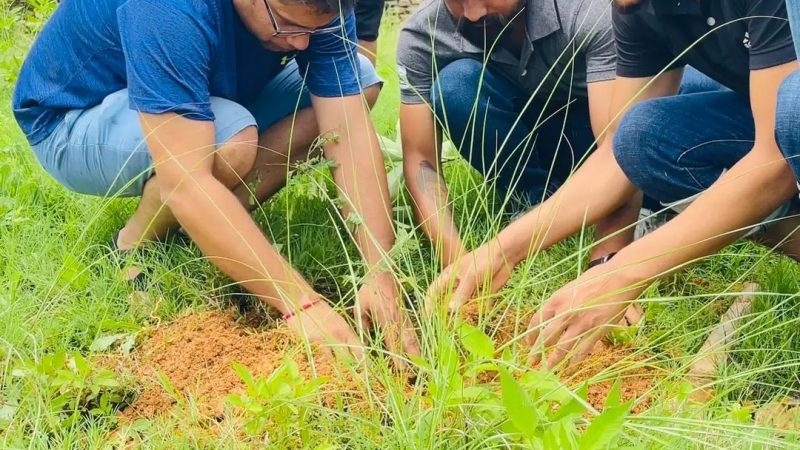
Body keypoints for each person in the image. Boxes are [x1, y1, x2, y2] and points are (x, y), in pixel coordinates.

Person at [13, 0, 419, 363]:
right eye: (288, 27)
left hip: (204, 93)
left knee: (359, 78)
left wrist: (380, 272)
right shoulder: (168, 9)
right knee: (229, 141)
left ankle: (215, 225)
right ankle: (134, 244)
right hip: (73, 118)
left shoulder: (313, 11)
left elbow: (346, 130)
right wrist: (301, 305)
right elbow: (186, 181)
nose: (300, 45)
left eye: (311, 32)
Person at [428, 0, 800, 369]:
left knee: (793, 110)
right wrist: (500, 251)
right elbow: (616, 156)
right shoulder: (635, 8)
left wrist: (623, 274)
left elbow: (776, 159)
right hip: (774, 122)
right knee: (643, 135)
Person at [396, 0, 632, 271]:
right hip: (528, 131)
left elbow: (619, 149)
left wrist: (604, 265)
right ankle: (533, 200)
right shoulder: (423, 36)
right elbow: (421, 160)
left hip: (594, 133)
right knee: (455, 86)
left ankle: (646, 206)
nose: (473, 14)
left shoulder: (585, 9)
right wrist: (456, 264)